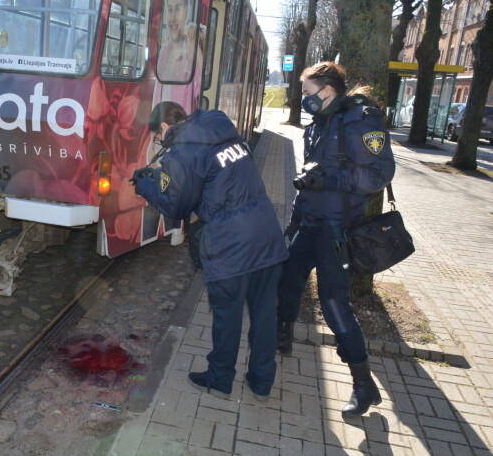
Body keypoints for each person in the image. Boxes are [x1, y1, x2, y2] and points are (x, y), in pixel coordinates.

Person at [131, 102, 288, 401]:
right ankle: (262, 381)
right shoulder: (227, 135)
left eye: (155, 136)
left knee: (227, 317)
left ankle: (219, 380)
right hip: (267, 236)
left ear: (163, 128)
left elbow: (176, 206)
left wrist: (146, 185)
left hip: (230, 246)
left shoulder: (183, 152)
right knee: (265, 315)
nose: (158, 142)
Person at [276, 62, 395, 417]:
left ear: (328, 90)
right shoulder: (320, 122)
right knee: (287, 280)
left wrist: (330, 180)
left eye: (309, 93)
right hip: (309, 222)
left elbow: (377, 174)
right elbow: (307, 176)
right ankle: (281, 339)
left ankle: (364, 384)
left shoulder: (362, 121)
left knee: (334, 303)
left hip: (337, 230)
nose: (305, 100)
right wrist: (294, 220)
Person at [153, 0, 203, 113]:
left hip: (181, 131)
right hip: (161, 130)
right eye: (169, 9)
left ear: (187, 10)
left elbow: (200, 90)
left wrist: (193, 45)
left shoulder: (191, 50)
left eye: (178, 9)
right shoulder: (164, 52)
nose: (172, 17)